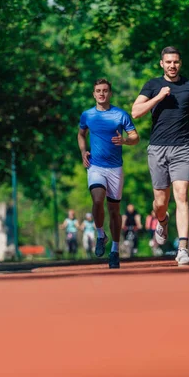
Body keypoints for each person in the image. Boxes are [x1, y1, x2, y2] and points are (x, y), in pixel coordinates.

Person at [132, 46, 189, 266]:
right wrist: (158, 97)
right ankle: (162, 220)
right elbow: (135, 112)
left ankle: (182, 248)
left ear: (180, 63)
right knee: (160, 203)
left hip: (183, 148)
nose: (172, 66)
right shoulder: (152, 85)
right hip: (157, 149)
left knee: (182, 195)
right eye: (168, 62)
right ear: (161, 64)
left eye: (176, 62)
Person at [78, 78, 139, 268]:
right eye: (98, 91)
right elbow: (81, 134)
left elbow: (135, 137)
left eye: (105, 90)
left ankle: (114, 249)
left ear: (110, 93)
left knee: (114, 211)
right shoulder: (87, 115)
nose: (102, 93)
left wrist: (125, 141)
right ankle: (100, 234)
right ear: (94, 94)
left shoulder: (120, 115)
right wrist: (83, 151)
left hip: (115, 169)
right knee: (97, 200)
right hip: (96, 166)